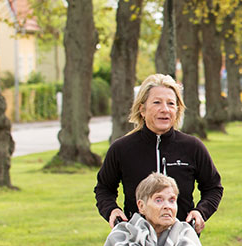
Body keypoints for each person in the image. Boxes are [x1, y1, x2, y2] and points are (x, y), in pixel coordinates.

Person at [95, 74, 223, 233]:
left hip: (182, 240)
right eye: (157, 103)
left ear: (177, 109)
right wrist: (112, 210)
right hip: (135, 240)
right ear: (142, 109)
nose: (165, 109)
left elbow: (213, 187)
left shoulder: (193, 147)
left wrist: (200, 212)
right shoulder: (121, 148)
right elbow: (104, 188)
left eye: (171, 104)